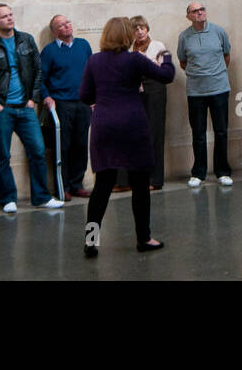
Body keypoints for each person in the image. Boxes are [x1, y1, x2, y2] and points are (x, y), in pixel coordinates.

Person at [79, 17, 176, 258]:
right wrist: (166, 56)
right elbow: (166, 76)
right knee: (140, 186)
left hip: (104, 126)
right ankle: (144, 238)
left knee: (102, 187)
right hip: (133, 124)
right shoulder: (135, 59)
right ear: (127, 35)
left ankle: (91, 242)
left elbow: (84, 95)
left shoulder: (94, 60)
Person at [0, 3, 64, 212]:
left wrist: (33, 99)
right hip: (2, 109)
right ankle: (8, 199)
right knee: (3, 155)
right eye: (4, 16)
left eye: (11, 14)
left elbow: (38, 70)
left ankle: (41, 196)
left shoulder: (26, 40)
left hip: (25, 108)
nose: (10, 18)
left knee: (38, 151)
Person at [176, 0, 233, 187]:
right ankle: (198, 173)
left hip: (219, 89)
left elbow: (226, 57)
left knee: (221, 131)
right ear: (189, 16)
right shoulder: (184, 37)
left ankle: (222, 171)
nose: (200, 13)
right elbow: (183, 61)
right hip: (196, 91)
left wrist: (214, 74)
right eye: (195, 11)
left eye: (202, 9)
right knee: (198, 133)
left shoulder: (218, 31)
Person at [40, 14, 94, 199]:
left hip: (83, 102)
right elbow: (41, 79)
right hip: (62, 103)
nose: (67, 26)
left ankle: (77, 184)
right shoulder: (49, 51)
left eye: (68, 22)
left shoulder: (83, 45)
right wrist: (47, 97)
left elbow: (92, 72)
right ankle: (63, 187)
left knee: (80, 144)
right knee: (62, 146)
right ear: (55, 32)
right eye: (61, 25)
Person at [116, 15, 169, 190]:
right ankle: (127, 180)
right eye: (136, 29)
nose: (139, 32)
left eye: (142, 28)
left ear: (147, 29)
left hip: (155, 89)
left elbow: (165, 71)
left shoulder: (158, 46)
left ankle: (155, 180)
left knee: (154, 133)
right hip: (135, 91)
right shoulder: (129, 49)